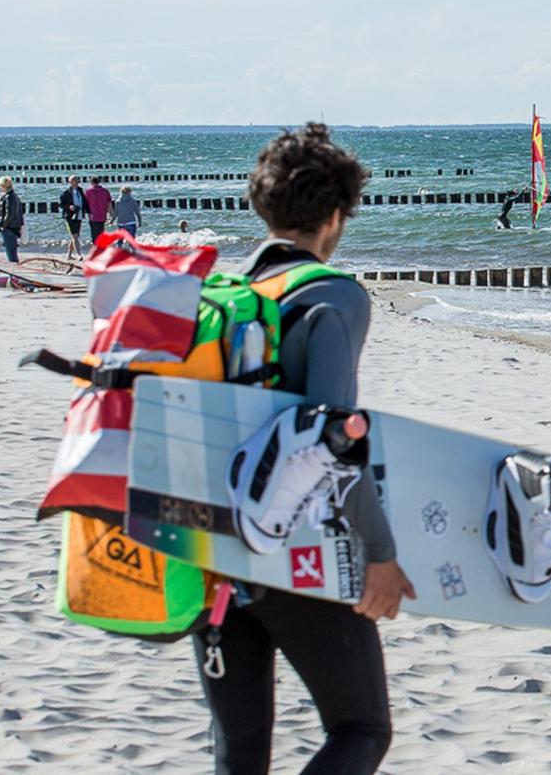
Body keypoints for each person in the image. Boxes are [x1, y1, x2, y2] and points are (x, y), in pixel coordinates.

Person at [194, 122, 412, 774]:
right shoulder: (333, 295)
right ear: (337, 214)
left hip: (214, 554)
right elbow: (335, 440)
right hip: (299, 556)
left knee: (239, 753)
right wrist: (380, 553)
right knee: (362, 727)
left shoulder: (221, 299)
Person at [0, 177, 24, 263]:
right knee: (11, 250)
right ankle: (14, 270)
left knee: (11, 252)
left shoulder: (10, 197)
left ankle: (14, 271)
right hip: (13, 226)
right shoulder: (11, 196)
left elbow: (10, 213)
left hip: (10, 227)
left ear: (3, 186)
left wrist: (3, 226)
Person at [59, 176, 86, 259]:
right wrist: (69, 207)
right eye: (75, 180)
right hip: (69, 216)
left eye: (77, 179)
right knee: (74, 235)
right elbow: (61, 204)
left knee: (76, 235)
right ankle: (79, 254)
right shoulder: (66, 193)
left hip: (79, 215)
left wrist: (87, 211)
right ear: (70, 182)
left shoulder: (80, 191)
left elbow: (84, 202)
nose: (77, 181)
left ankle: (69, 255)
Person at [83, 177, 113, 242]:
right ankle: (101, 249)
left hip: (92, 216)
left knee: (94, 235)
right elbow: (109, 204)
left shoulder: (88, 192)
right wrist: (111, 215)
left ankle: (97, 249)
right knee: (101, 234)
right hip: (102, 215)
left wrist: (84, 213)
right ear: (99, 182)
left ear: (91, 183)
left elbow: (85, 204)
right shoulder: (105, 191)